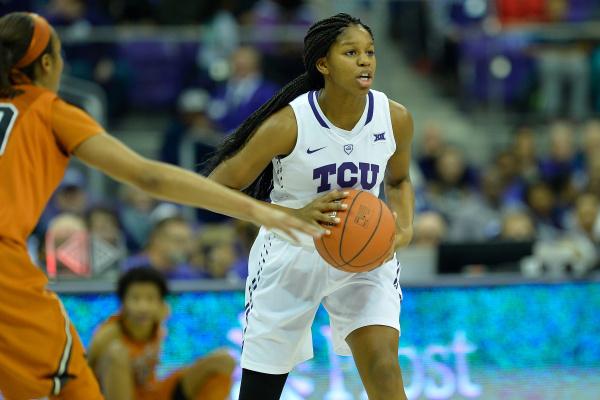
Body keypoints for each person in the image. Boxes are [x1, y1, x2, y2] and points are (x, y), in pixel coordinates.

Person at [0, 12, 321, 400]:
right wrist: (260, 209)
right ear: (47, 63)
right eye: (61, 54)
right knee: (71, 387)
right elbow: (148, 177)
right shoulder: (47, 109)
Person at [206, 13, 414, 400]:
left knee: (385, 368)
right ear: (324, 64)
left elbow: (399, 180)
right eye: (351, 53)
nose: (365, 60)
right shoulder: (289, 123)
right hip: (291, 253)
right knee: (260, 391)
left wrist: (404, 227)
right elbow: (217, 186)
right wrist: (290, 215)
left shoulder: (395, 118)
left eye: (369, 52)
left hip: (364, 255)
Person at [88, 267, 235, 400]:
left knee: (224, 360)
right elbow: (86, 373)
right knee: (116, 353)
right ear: (123, 303)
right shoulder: (108, 334)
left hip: (154, 393)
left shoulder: (158, 320)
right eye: (135, 298)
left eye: (150, 299)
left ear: (160, 303)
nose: (143, 307)